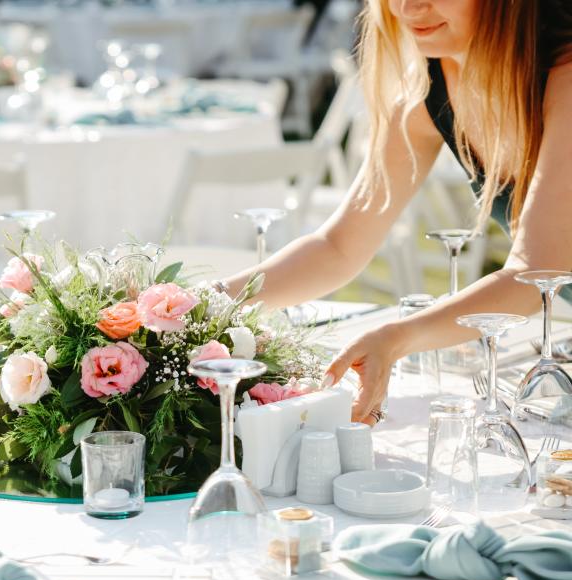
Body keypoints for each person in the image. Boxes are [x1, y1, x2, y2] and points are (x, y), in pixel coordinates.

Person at [222, 0, 572, 426]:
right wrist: (208, 303)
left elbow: (534, 273)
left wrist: (396, 337)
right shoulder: (429, 91)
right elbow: (338, 246)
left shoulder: (565, 73)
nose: (409, 6)